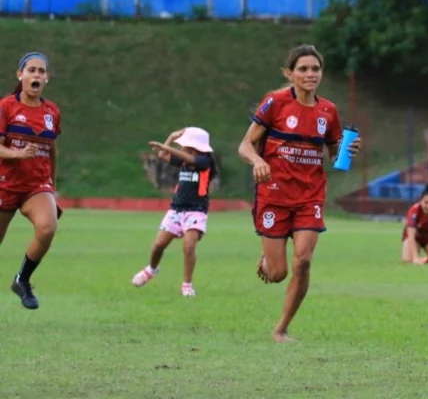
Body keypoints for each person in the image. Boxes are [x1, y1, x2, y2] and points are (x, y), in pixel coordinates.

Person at [237, 45, 361, 343]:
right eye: (303, 69)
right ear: (289, 73)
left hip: (310, 197)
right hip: (274, 195)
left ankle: (281, 328)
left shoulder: (328, 110)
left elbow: (333, 155)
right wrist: (258, 161)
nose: (310, 74)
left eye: (315, 69)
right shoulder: (275, 103)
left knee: (303, 261)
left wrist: (346, 151)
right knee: (277, 273)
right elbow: (245, 146)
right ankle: (269, 258)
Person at [0, 52, 63, 310]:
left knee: (47, 227)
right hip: (5, 183)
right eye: (31, 70)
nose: (36, 75)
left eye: (41, 71)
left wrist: (52, 186)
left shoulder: (52, 112)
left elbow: (51, 150)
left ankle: (22, 280)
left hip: (36, 185)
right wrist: (17, 154)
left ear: (46, 78)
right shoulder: (6, 107)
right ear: (20, 75)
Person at [131, 127, 217, 297]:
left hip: (196, 211)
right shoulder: (184, 160)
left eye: (184, 144)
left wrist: (168, 148)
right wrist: (170, 138)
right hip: (176, 209)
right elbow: (163, 156)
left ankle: (187, 284)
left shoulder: (204, 161)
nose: (181, 147)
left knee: (189, 246)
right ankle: (151, 269)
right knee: (158, 245)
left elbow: (189, 158)